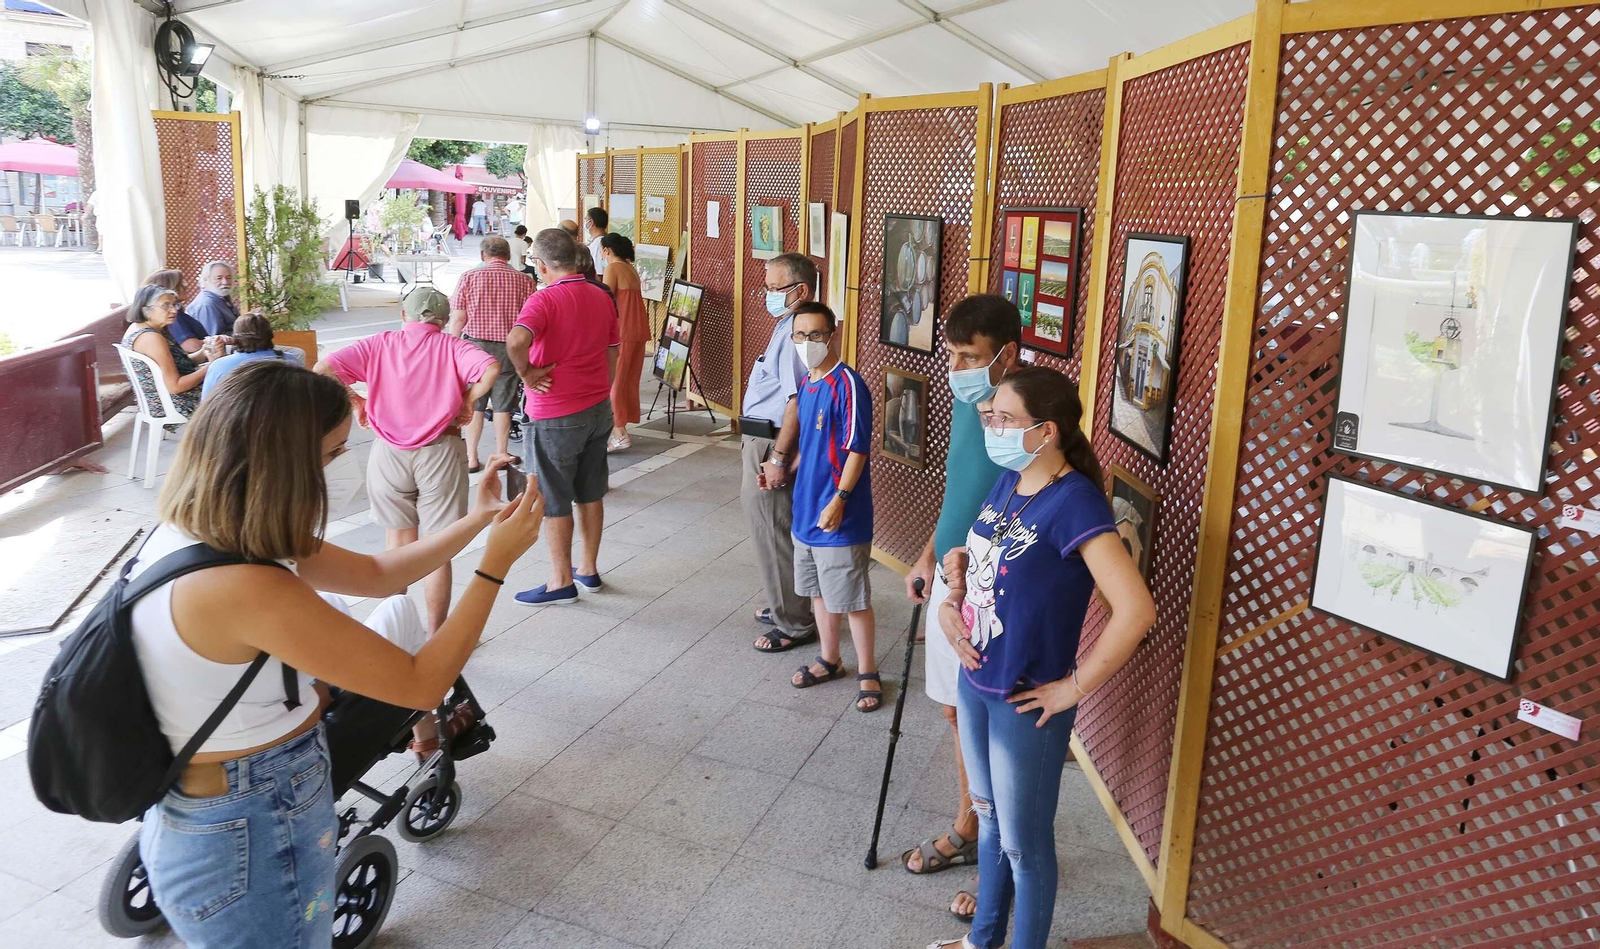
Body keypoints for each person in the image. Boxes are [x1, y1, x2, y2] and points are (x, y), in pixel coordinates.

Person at [130, 359, 544, 949]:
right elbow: (421, 684)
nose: (339, 468)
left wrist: (476, 520)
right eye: (330, 454)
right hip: (246, 830)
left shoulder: (209, 533)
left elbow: (377, 574)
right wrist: (493, 567)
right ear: (283, 464)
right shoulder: (241, 583)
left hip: (222, 810)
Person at [927, 366, 1156, 949]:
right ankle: (983, 940)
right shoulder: (1011, 479)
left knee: (1024, 847)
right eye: (990, 417)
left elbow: (1135, 610)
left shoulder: (1075, 501)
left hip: (1026, 696)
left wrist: (1072, 688)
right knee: (989, 817)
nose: (992, 427)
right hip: (977, 677)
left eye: (1004, 418)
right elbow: (987, 564)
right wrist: (954, 598)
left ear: (1046, 430)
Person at [898, 295, 1020, 918]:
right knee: (954, 714)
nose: (959, 367)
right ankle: (973, 824)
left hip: (987, 591)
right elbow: (959, 492)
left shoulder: (1022, 418)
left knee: (991, 722)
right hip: (949, 579)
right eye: (953, 354)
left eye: (970, 357)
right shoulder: (970, 402)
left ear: (1007, 356)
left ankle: (997, 846)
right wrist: (928, 552)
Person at [316, 287, 500, 642]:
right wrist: (468, 400)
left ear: (404, 316)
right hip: (441, 450)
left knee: (397, 547)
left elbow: (323, 369)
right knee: (436, 549)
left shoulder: (379, 344)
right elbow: (491, 368)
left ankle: (392, 635)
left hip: (388, 453)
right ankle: (436, 635)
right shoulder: (453, 346)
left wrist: (356, 401)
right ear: (444, 321)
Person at [507, 228, 619, 606]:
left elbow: (515, 342)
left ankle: (560, 581)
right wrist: (603, 388)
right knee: (590, 491)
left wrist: (527, 375)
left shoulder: (543, 300)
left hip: (554, 412)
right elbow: (612, 350)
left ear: (540, 264)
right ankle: (588, 569)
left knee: (553, 498)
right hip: (597, 407)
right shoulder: (601, 295)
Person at [784, 303, 880, 712]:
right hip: (805, 511)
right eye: (800, 336)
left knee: (852, 597)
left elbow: (857, 448)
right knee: (819, 594)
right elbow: (811, 445)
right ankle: (829, 658)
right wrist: (785, 467)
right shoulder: (808, 383)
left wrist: (840, 499)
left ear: (833, 333)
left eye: (816, 334)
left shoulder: (849, 385)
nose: (808, 343)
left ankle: (869, 672)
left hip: (839, 515)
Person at [743, 253, 819, 653]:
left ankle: (794, 622)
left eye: (774, 289)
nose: (768, 296)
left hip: (773, 440)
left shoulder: (797, 333)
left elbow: (796, 402)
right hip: (765, 436)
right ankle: (784, 604)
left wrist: (777, 458)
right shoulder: (788, 325)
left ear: (800, 291)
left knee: (772, 531)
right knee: (772, 528)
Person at [448, 236, 536, 473]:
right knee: (503, 404)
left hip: (475, 350)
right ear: (508, 256)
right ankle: (500, 453)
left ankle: (472, 457)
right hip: (508, 349)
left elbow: (458, 318)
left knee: (475, 403)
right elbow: (530, 321)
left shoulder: (469, 277)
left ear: (482, 255)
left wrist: (451, 349)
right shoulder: (524, 281)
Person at [122, 283, 221, 419]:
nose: (174, 310)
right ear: (146, 310)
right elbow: (175, 386)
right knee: (235, 391)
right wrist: (212, 365)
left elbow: (177, 364)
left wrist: (204, 351)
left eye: (174, 305)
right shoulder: (151, 338)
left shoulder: (142, 327)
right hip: (174, 402)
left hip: (165, 398)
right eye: (166, 305)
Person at [600, 233, 649, 452]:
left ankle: (619, 431)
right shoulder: (631, 269)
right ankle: (621, 427)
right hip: (638, 330)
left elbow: (605, 299)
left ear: (607, 250)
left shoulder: (613, 268)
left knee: (615, 382)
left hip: (622, 331)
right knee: (628, 380)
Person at [201, 313, 304, 398]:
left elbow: (206, 404)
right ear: (270, 335)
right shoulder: (291, 361)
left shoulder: (219, 366)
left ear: (236, 337)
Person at [146, 268, 211, 356]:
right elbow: (191, 346)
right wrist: (214, 342)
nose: (186, 285)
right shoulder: (172, 317)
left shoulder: (176, 312)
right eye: (181, 283)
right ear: (170, 288)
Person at [187, 261, 240, 338]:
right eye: (219, 278)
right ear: (206, 280)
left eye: (228, 278)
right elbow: (214, 339)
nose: (225, 282)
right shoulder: (206, 304)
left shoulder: (220, 297)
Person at [585, 206, 609, 275]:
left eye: (586, 220)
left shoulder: (598, 244)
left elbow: (599, 272)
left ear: (591, 222)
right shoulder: (603, 240)